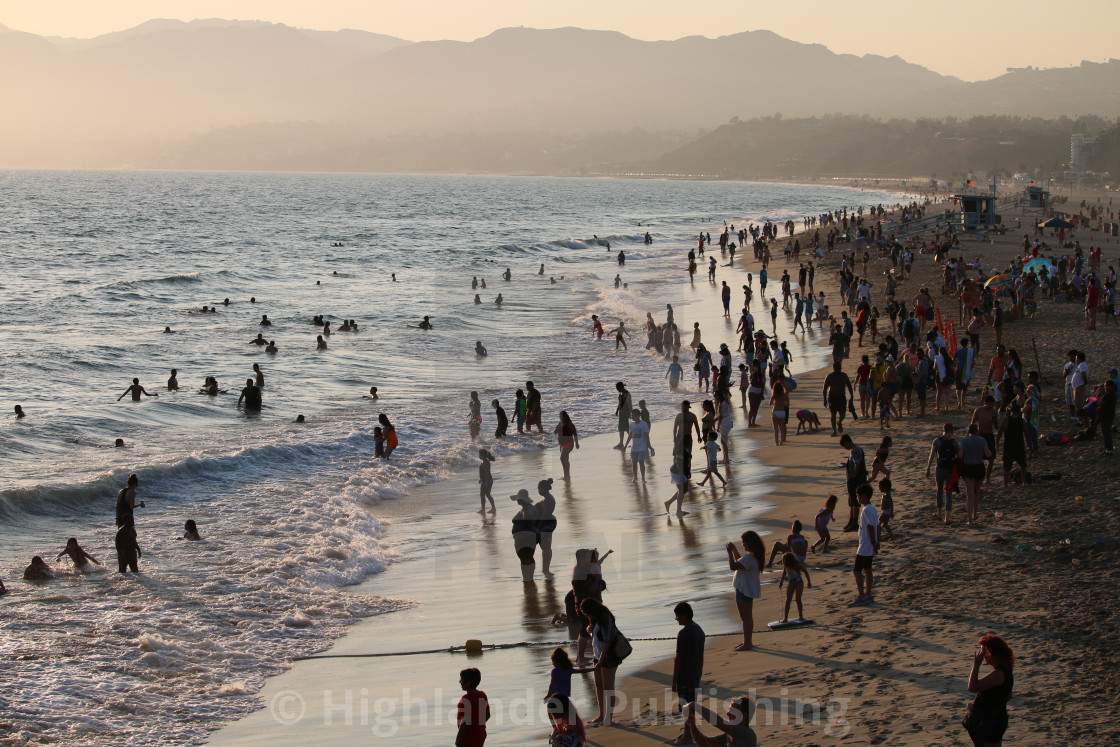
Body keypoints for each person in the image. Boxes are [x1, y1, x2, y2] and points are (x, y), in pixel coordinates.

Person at [964, 634, 1015, 747]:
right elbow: (1008, 696)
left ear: (993, 653)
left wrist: (976, 665)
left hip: (991, 721)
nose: (983, 656)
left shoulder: (999, 674)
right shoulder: (1005, 671)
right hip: (994, 719)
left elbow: (972, 687)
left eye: (984, 652)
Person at [579, 598, 622, 725]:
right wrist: (589, 630)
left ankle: (608, 717)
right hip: (597, 655)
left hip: (608, 656)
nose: (587, 616)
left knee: (608, 687)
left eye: (587, 613)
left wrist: (601, 660)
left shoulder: (606, 618)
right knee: (599, 686)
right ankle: (602, 715)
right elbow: (594, 634)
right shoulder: (596, 618)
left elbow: (608, 641)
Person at [671, 601, 705, 745]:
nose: (676, 619)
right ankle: (688, 733)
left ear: (685, 615)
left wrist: (674, 680)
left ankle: (688, 735)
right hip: (696, 673)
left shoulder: (683, 633)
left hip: (685, 675)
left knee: (686, 707)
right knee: (690, 704)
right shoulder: (699, 630)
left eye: (678, 616)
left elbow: (678, 658)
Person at [727, 531, 764, 651]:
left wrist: (729, 553)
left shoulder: (750, 557)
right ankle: (747, 641)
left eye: (744, 542)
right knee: (746, 617)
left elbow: (733, 566)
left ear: (750, 543)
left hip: (744, 589)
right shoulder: (754, 556)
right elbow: (740, 561)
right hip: (747, 589)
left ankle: (748, 643)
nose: (743, 544)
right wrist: (733, 550)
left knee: (746, 617)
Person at [680, 698, 758, 747]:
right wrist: (693, 726)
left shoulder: (746, 733)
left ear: (744, 715)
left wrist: (695, 706)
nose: (728, 713)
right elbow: (706, 743)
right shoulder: (729, 735)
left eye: (733, 711)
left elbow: (719, 723)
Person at [959, 423, 992, 525]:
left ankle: (969, 519)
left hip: (968, 467)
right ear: (977, 431)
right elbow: (989, 454)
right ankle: (975, 513)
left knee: (970, 494)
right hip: (979, 466)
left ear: (969, 431)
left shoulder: (964, 440)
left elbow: (960, 455)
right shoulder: (981, 440)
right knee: (976, 491)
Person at [852, 483, 879, 605]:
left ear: (864, 496)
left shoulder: (866, 510)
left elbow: (870, 527)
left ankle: (862, 596)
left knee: (857, 570)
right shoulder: (872, 509)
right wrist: (877, 542)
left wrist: (873, 541)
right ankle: (868, 594)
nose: (858, 498)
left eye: (858, 496)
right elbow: (878, 526)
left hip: (865, 545)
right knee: (868, 569)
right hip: (870, 545)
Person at [455, 668, 490, 747]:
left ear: (468, 682)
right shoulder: (482, 695)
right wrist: (477, 725)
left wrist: (458, 738)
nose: (460, 682)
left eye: (462, 680)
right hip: (481, 733)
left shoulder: (466, 699)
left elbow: (465, 722)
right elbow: (487, 715)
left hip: (469, 736)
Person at [510, 489, 539, 582]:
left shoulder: (526, 509)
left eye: (518, 499)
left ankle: (527, 579)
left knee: (525, 559)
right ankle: (529, 578)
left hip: (524, 539)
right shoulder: (529, 508)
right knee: (528, 558)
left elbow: (528, 519)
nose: (517, 500)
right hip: (529, 537)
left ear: (522, 499)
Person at [840, 434, 867, 532]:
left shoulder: (855, 450)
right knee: (852, 501)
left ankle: (854, 523)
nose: (845, 448)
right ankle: (851, 521)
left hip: (856, 480)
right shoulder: (857, 449)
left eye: (844, 445)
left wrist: (854, 474)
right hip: (858, 478)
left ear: (847, 442)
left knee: (854, 502)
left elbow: (858, 464)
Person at [777, 552, 812, 624]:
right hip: (791, 583)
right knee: (788, 600)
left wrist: (809, 582)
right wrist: (781, 582)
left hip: (799, 582)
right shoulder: (786, 565)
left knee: (798, 599)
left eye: (784, 560)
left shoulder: (797, 565)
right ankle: (785, 618)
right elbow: (784, 573)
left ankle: (801, 616)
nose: (783, 561)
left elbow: (805, 572)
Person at [823, 362, 854, 436]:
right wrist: (824, 399)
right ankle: (834, 431)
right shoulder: (830, 376)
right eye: (837, 367)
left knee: (843, 415)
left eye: (839, 367)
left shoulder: (844, 375)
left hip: (842, 397)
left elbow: (849, 386)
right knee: (833, 414)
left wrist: (851, 396)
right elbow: (825, 388)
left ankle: (839, 422)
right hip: (832, 398)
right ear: (834, 368)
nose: (838, 369)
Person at [534, 478, 557, 576]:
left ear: (544, 489)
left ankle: (546, 569)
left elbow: (545, 516)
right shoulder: (545, 498)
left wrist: (538, 528)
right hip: (545, 523)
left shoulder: (549, 499)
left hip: (547, 524)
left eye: (539, 489)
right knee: (546, 547)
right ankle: (546, 568)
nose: (538, 491)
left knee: (546, 548)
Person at [554, 410, 579, 480]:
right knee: (565, 459)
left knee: (562, 458)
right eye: (559, 417)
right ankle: (567, 475)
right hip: (562, 444)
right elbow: (554, 432)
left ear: (565, 417)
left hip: (569, 443)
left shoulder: (570, 424)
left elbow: (575, 434)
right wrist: (557, 428)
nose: (560, 418)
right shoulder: (559, 423)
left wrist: (577, 443)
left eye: (561, 416)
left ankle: (566, 475)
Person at [628, 408, 650, 482]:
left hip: (642, 447)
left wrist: (649, 446)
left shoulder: (644, 424)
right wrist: (625, 445)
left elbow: (647, 435)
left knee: (641, 462)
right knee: (634, 463)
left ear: (638, 416)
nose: (632, 417)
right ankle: (635, 477)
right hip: (634, 447)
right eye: (631, 415)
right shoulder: (632, 424)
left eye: (633, 415)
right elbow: (630, 435)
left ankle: (643, 478)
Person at [769, 380, 790, 446]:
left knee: (776, 429)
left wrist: (774, 401)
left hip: (775, 411)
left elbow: (770, 403)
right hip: (782, 412)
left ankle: (776, 443)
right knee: (782, 428)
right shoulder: (785, 395)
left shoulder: (774, 395)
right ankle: (782, 441)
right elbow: (787, 404)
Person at [613, 382, 632, 448]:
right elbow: (620, 403)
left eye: (618, 388)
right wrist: (617, 410)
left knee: (626, 428)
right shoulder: (621, 394)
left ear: (621, 387)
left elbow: (629, 404)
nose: (617, 390)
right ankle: (621, 443)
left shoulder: (627, 394)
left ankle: (635, 440)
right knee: (621, 428)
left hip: (625, 413)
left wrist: (631, 413)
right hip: (621, 413)